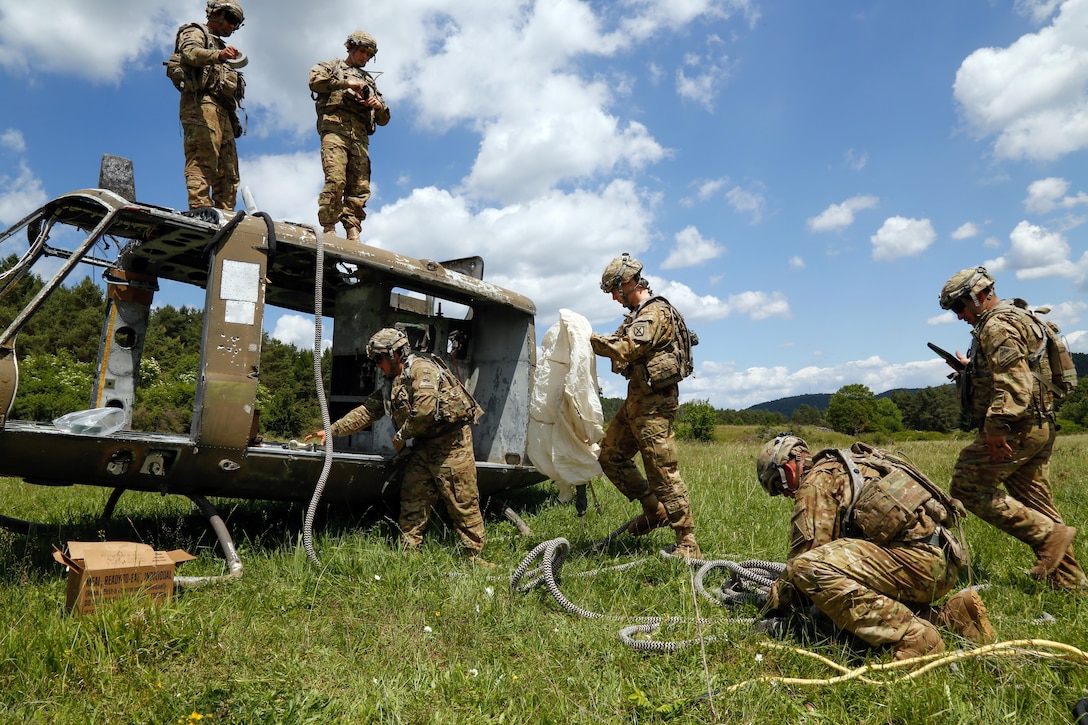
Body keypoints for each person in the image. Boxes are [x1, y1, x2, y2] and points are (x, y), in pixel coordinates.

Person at [756, 434, 994, 660]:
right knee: (847, 587)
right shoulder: (851, 463)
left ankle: (912, 637)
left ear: (787, 469)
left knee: (809, 568)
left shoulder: (815, 483)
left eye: (778, 486)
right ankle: (951, 617)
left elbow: (805, 560)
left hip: (917, 564)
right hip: (942, 560)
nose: (786, 494)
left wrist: (771, 605)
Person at [938, 266, 1085, 590]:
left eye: (959, 307)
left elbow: (1016, 384)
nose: (959, 316)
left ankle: (1050, 536)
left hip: (1016, 428)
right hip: (1038, 424)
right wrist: (970, 369)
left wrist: (996, 428)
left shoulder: (997, 326)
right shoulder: (1015, 317)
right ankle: (1071, 584)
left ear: (978, 296)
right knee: (1036, 505)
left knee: (966, 486)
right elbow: (1019, 369)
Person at [304, 328, 491, 566]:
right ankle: (409, 554)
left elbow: (424, 411)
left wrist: (401, 436)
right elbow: (368, 411)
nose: (377, 365)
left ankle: (475, 557)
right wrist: (331, 430)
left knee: (462, 500)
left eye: (379, 359)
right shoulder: (391, 384)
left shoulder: (423, 370)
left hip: (451, 445)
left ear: (395, 354)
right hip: (424, 445)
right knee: (413, 496)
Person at [589, 253, 701, 559]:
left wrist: (587, 339)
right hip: (636, 405)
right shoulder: (637, 315)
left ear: (628, 283)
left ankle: (688, 543)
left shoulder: (653, 314)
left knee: (663, 471)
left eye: (614, 290)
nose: (614, 297)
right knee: (610, 456)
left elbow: (625, 348)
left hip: (654, 408)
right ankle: (654, 510)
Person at [308, 31, 391, 242]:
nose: (365, 57)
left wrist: (377, 106)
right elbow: (315, 82)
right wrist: (347, 84)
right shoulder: (331, 67)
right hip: (335, 131)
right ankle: (328, 226)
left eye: (369, 55)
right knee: (336, 179)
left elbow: (383, 118)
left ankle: (353, 229)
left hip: (360, 139)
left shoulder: (369, 81)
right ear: (351, 48)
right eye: (362, 51)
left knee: (360, 187)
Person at [174, 0, 247, 211]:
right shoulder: (196, 31)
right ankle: (200, 210)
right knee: (203, 159)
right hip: (201, 105)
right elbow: (190, 53)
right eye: (231, 20)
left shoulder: (221, 47)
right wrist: (218, 56)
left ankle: (225, 215)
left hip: (223, 111)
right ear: (216, 13)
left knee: (229, 171)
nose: (232, 27)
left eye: (237, 23)